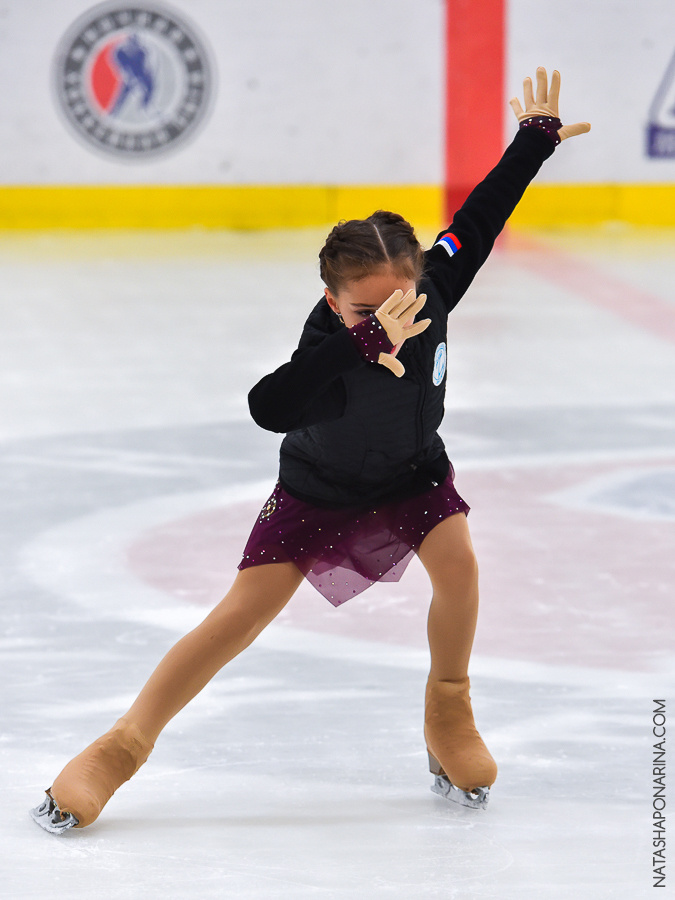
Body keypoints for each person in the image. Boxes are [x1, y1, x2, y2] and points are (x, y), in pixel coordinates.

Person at [30, 68, 590, 832]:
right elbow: (270, 407)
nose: (389, 319)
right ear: (332, 299)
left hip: (411, 472)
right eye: (365, 309)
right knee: (239, 617)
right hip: (319, 487)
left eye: (399, 301)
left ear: (420, 280)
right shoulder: (327, 348)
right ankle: (122, 746)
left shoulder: (434, 289)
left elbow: (481, 216)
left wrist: (534, 141)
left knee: (459, 569)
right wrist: (357, 346)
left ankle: (447, 709)